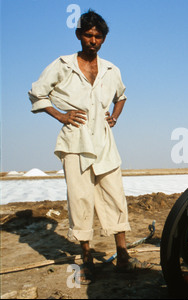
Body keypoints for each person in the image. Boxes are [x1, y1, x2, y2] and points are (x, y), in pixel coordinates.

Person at [28, 10, 150, 284]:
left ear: (103, 39)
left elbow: (122, 96)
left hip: (105, 141)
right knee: (80, 199)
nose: (92, 40)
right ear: (79, 35)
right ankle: (85, 261)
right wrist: (61, 115)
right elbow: (37, 92)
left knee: (115, 195)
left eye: (97, 36)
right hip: (75, 141)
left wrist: (114, 116)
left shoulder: (110, 69)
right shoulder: (63, 65)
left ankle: (123, 256)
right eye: (88, 34)